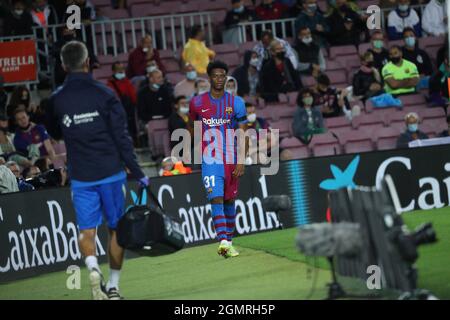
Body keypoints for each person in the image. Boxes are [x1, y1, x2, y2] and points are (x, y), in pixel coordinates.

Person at [45, 41, 149, 300]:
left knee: (86, 231)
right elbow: (122, 137)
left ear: (63, 65)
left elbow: (54, 131)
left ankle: (93, 268)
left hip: (81, 176)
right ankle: (113, 288)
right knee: (115, 230)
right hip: (111, 173)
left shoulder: (56, 99)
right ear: (87, 61)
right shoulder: (105, 94)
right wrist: (138, 171)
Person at [189, 60, 248, 258]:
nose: (219, 79)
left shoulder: (236, 103)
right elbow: (192, 124)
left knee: (230, 200)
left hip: (232, 158)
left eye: (223, 75)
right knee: (216, 197)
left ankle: (229, 243)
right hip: (211, 157)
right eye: (215, 75)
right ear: (209, 78)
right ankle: (222, 239)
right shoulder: (197, 102)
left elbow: (242, 133)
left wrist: (241, 160)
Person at [107, 62, 138, 145]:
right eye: (118, 70)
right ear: (113, 71)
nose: (121, 71)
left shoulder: (127, 81)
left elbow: (133, 97)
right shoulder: (110, 84)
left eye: (122, 69)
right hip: (118, 111)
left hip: (129, 110)